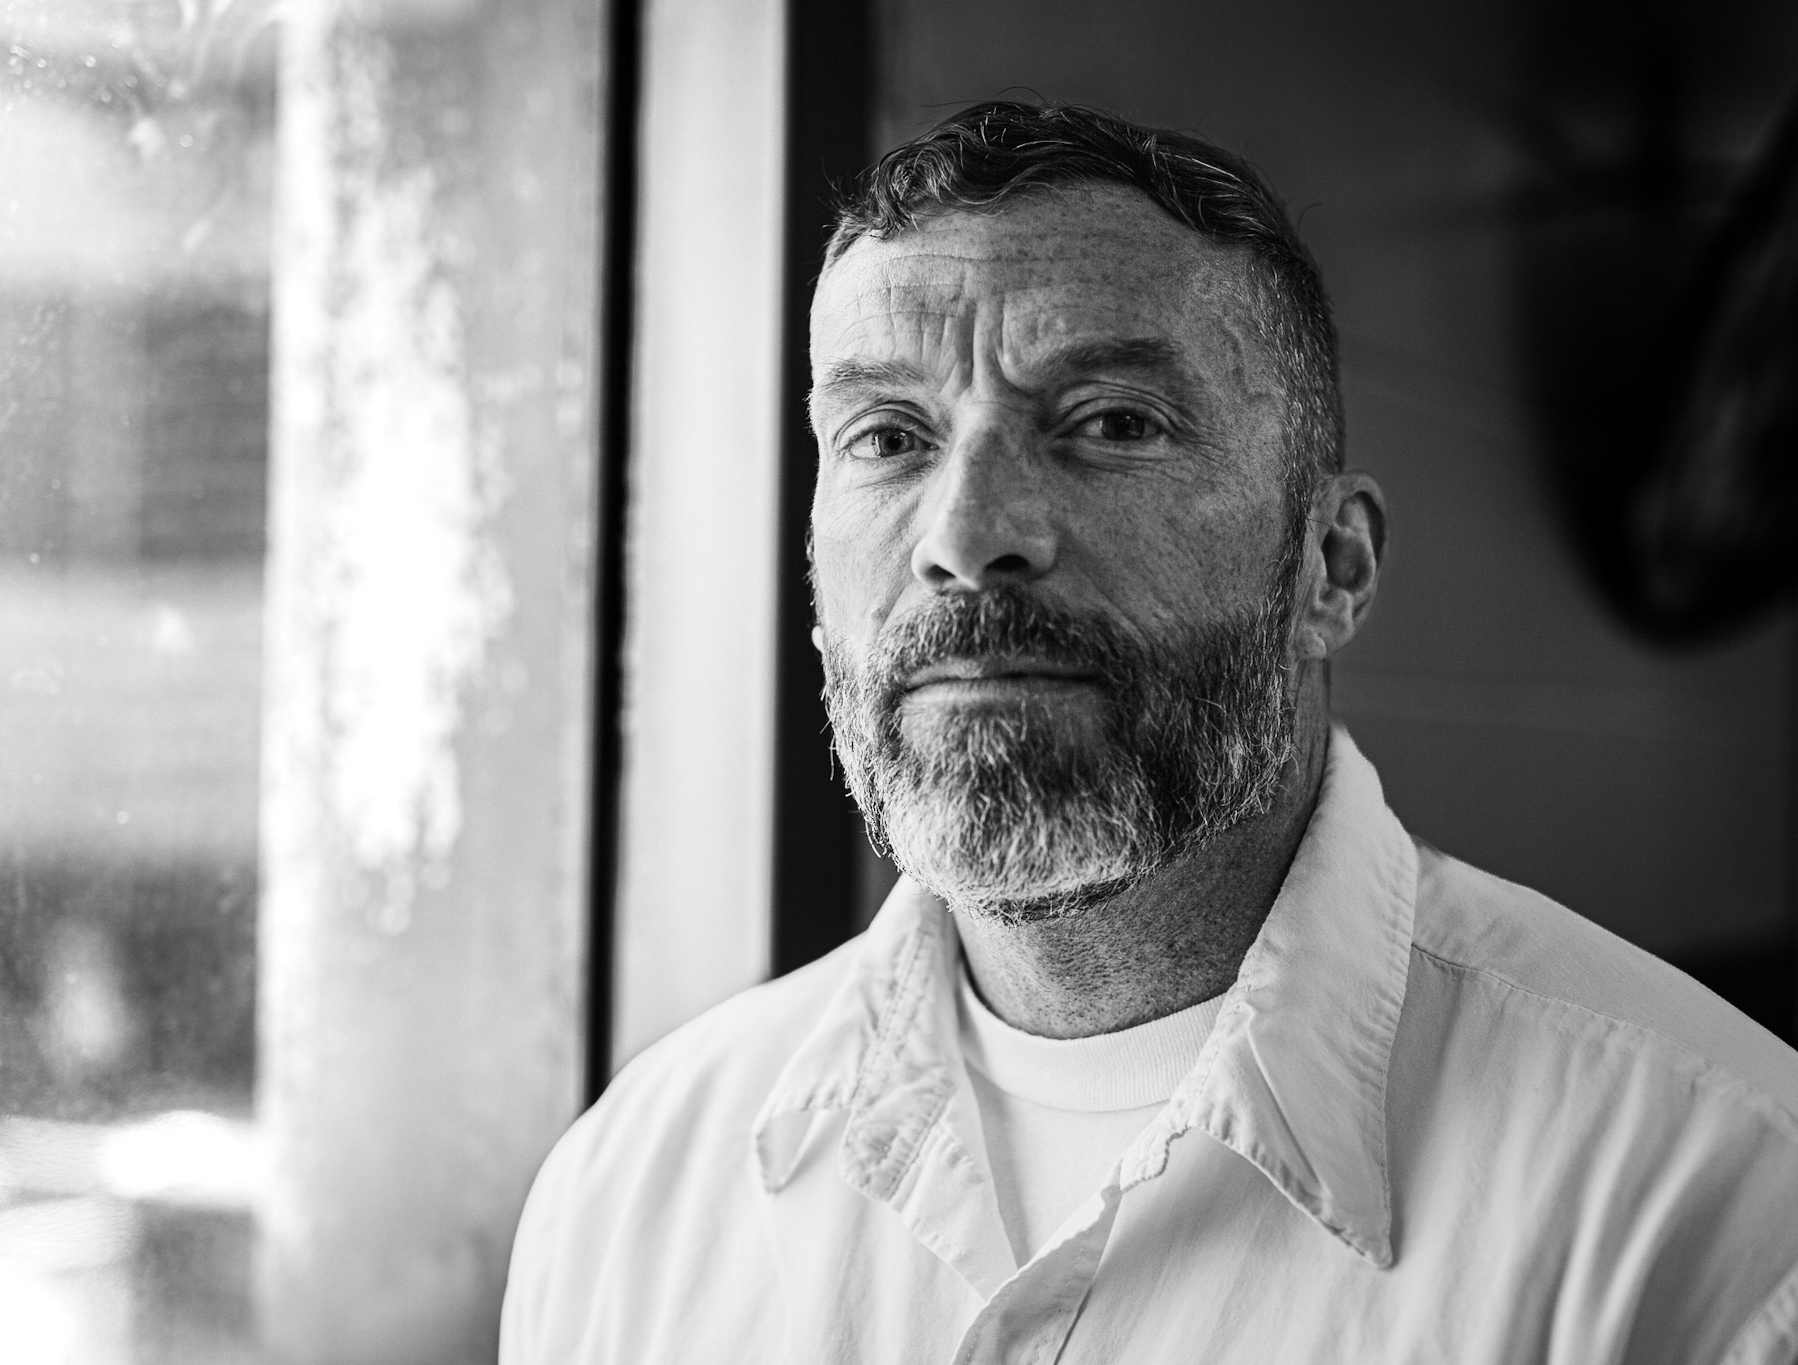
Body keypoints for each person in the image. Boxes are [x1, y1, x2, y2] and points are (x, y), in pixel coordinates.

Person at [500, 101, 1798, 1363]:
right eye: (888, 435)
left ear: (1331, 567)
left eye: (1110, 424)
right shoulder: (631, 1191)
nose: (966, 537)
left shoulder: (1723, 1204)